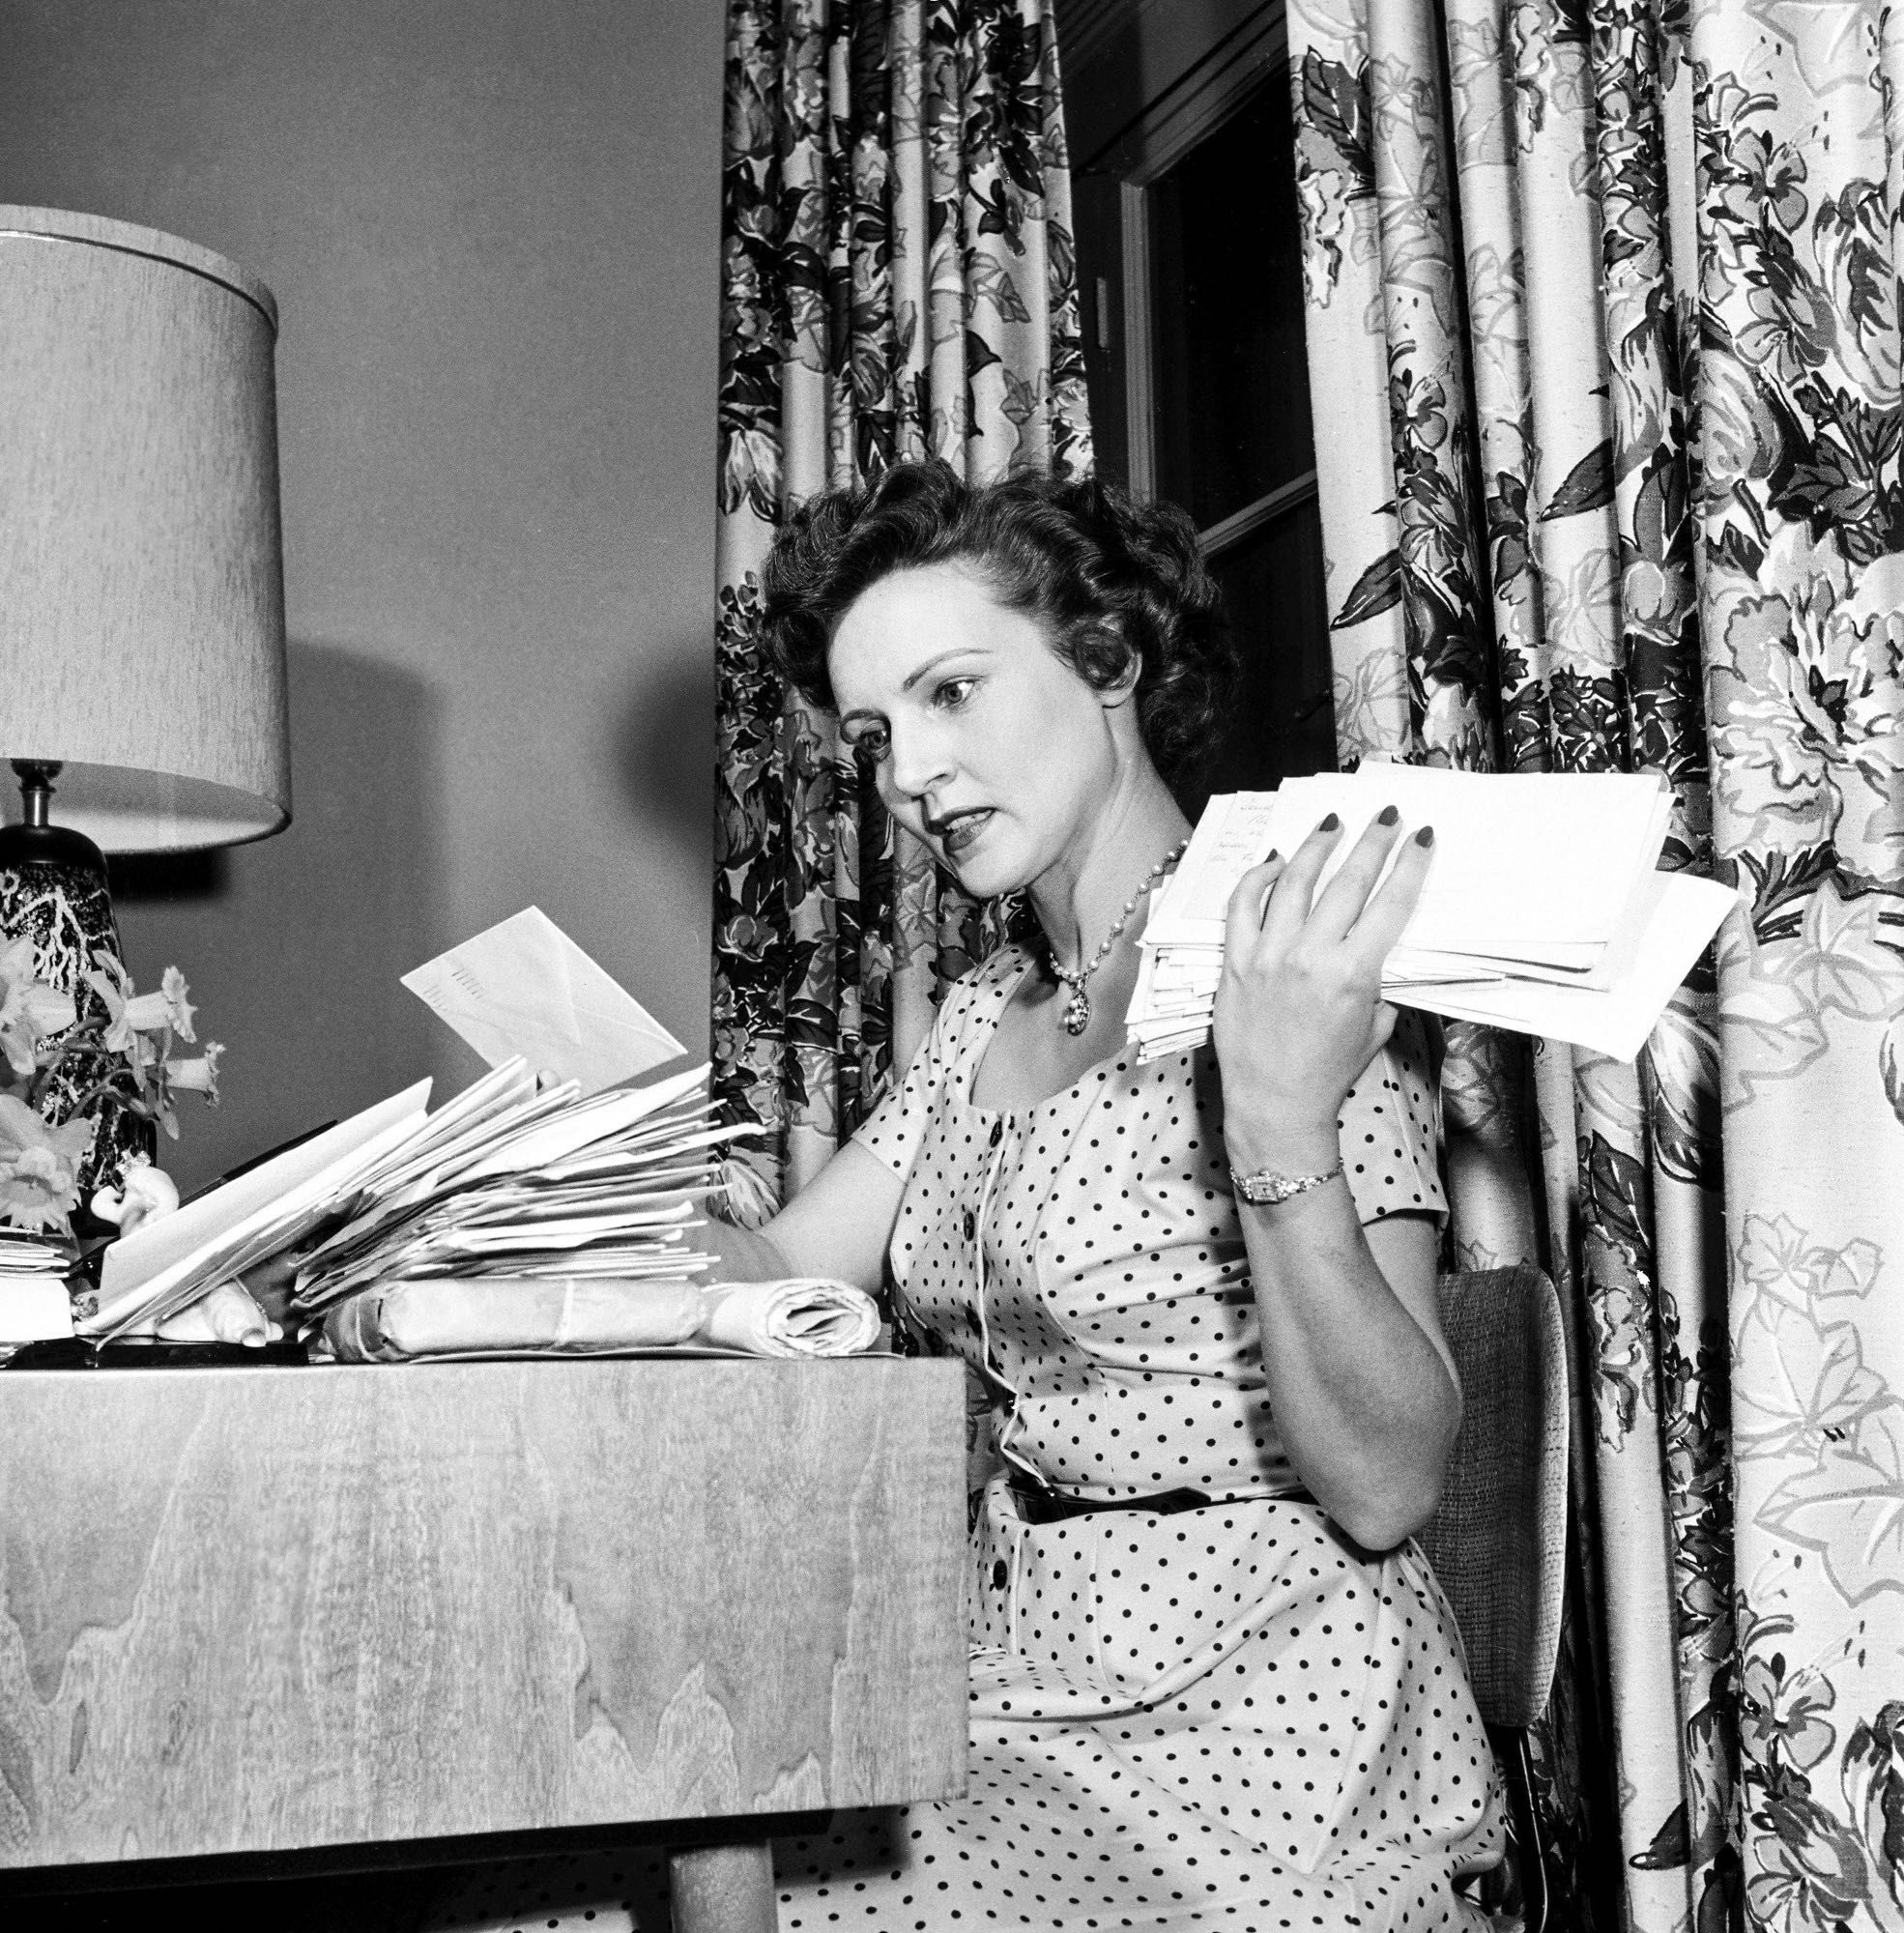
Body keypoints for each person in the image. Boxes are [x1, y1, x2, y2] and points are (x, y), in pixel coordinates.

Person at [427, 460, 1502, 1932]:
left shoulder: (1278, 954)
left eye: (950, 694)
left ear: (1108, 660)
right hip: (1002, 1670)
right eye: (875, 734)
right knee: (519, 1890)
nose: (907, 775)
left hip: (1259, 1720)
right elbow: (773, 1275)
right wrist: (585, 1161)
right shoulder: (982, 1012)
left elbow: (1388, 1485)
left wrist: (1275, 1108)